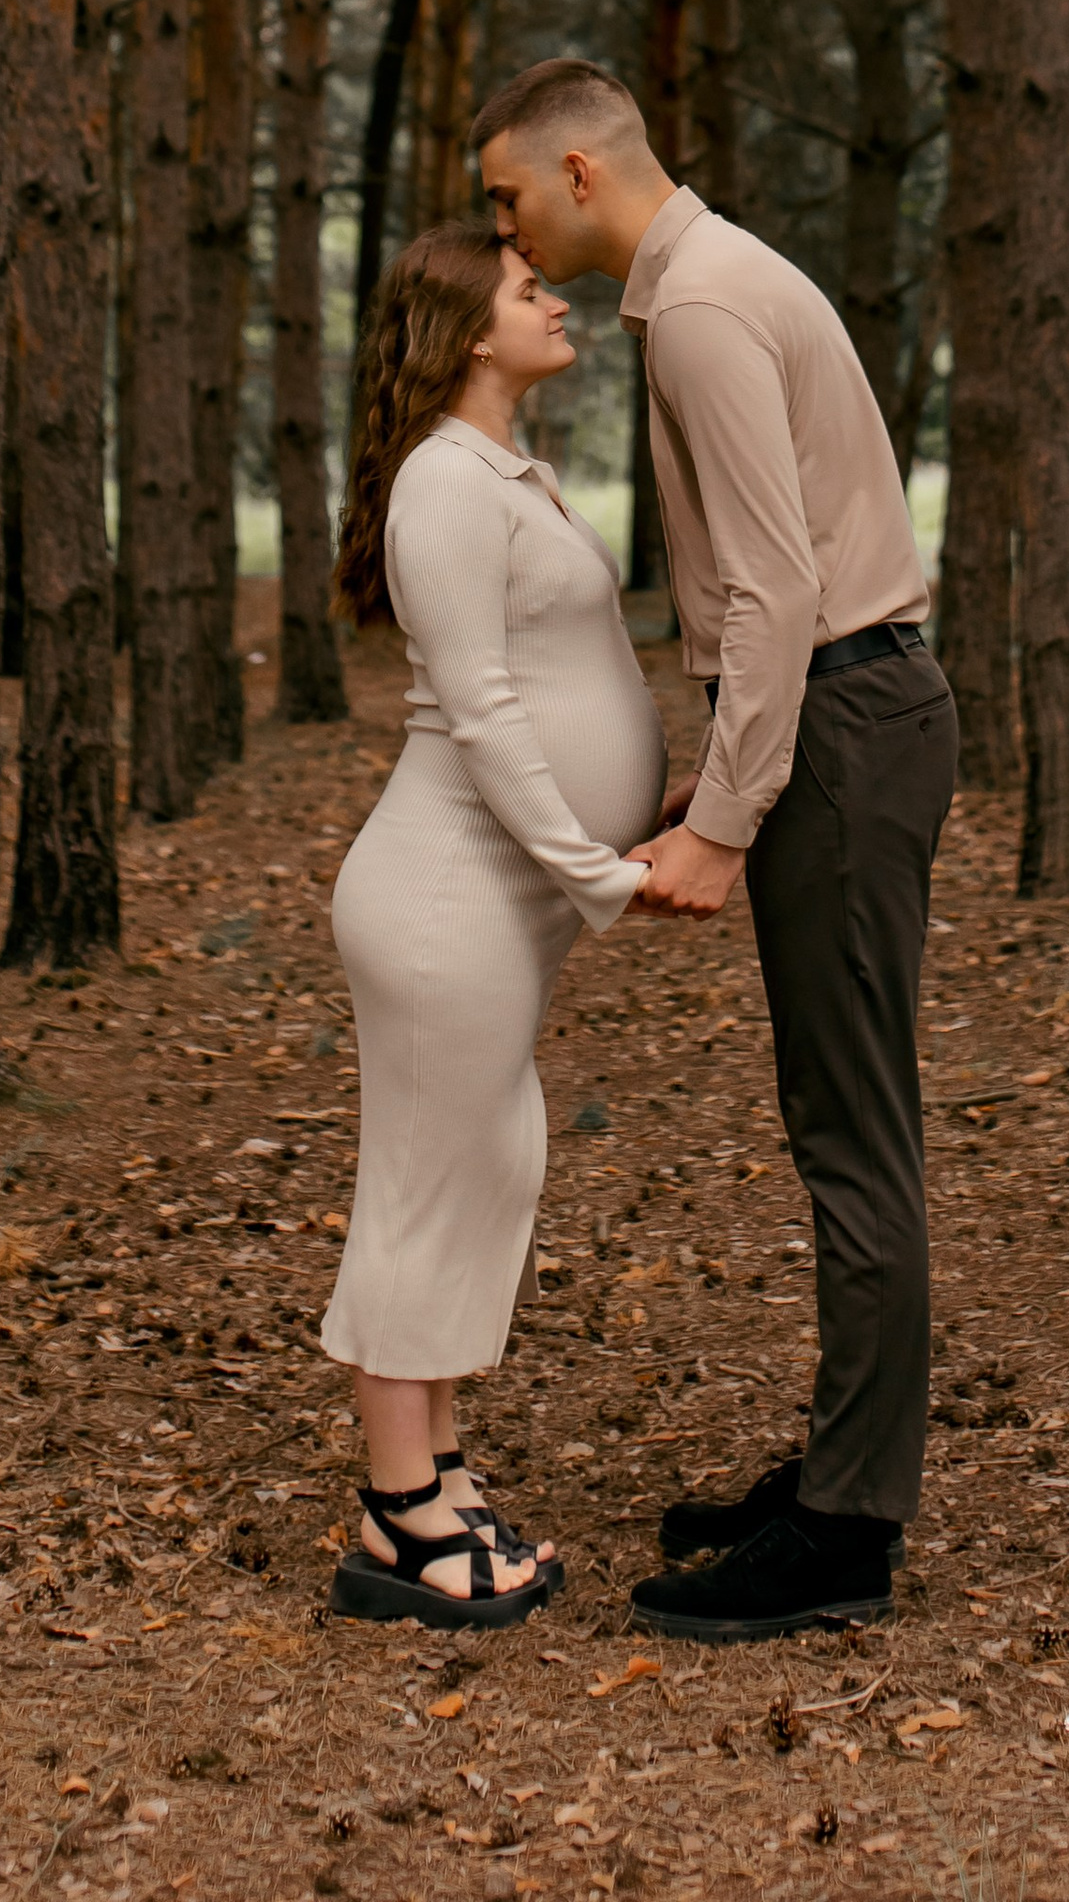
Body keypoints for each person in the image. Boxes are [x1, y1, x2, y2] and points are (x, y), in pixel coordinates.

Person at [473, 59, 955, 1644]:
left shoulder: (699, 307)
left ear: (581, 174)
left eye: (510, 197)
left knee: (853, 1126)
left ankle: (848, 1530)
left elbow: (779, 594)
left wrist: (725, 825)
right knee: (835, 1108)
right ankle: (842, 1467)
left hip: (847, 719)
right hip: (841, 717)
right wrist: (718, 791)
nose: (508, 233)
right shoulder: (708, 281)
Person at [319, 221, 668, 1628]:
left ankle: (439, 1472)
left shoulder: (499, 471)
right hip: (444, 896)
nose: (558, 301)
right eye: (533, 291)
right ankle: (398, 1521)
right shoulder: (444, 485)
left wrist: (646, 800)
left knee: (486, 1170)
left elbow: (555, 675)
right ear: (471, 329)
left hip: (491, 904)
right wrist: (602, 868)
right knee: (423, 1186)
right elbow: (481, 709)